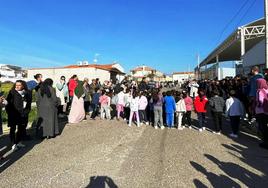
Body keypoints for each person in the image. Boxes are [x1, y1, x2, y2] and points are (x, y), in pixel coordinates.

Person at [6, 80, 32, 151]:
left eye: (19, 85)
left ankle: (18, 142)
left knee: (21, 129)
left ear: (23, 86)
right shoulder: (12, 92)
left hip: (22, 115)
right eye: (16, 85)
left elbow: (29, 104)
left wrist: (26, 112)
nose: (17, 86)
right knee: (13, 129)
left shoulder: (27, 93)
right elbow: (8, 104)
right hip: (13, 114)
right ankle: (13, 144)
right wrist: (9, 112)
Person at [255, 78, 268, 149]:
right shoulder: (267, 89)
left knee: (262, 127)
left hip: (260, 111)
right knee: (265, 126)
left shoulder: (259, 91)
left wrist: (258, 104)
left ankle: (265, 142)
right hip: (266, 111)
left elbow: (260, 100)